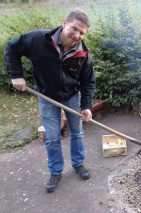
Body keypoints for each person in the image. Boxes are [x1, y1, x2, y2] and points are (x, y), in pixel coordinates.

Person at [4, 9, 95, 193]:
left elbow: (88, 82)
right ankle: (56, 171)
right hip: (46, 96)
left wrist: (86, 106)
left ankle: (78, 164)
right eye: (74, 29)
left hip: (71, 96)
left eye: (82, 33)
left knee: (77, 133)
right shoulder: (38, 39)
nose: (77, 35)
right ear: (64, 23)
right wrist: (16, 75)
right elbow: (12, 48)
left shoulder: (83, 54)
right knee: (52, 138)